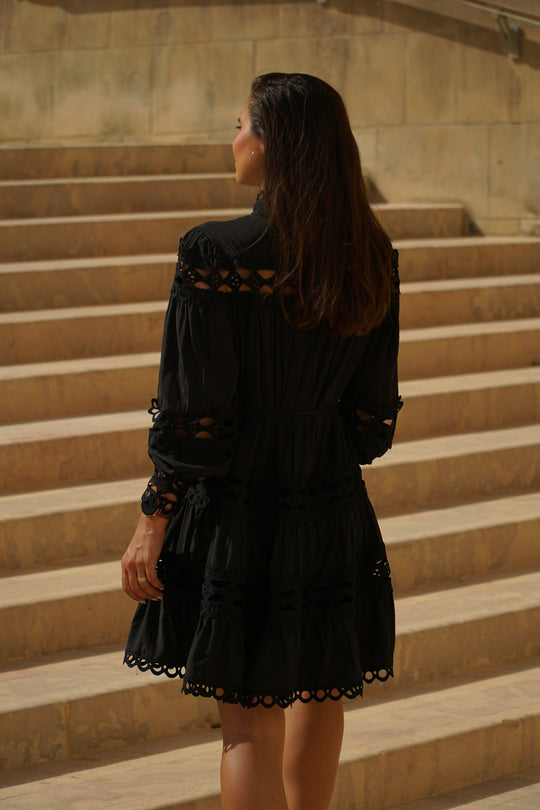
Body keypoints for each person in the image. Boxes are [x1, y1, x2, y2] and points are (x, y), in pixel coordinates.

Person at [121, 72, 402, 810]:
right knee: (320, 689)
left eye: (242, 124)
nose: (234, 139)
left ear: (277, 144)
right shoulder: (371, 252)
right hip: (329, 496)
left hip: (241, 504)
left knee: (248, 723)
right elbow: (372, 418)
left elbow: (195, 414)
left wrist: (154, 517)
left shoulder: (215, 253)